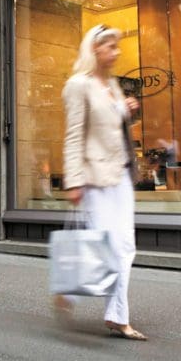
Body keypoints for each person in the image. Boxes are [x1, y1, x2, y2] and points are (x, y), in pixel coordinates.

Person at [58, 24, 146, 341]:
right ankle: (72, 289)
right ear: (95, 49)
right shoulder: (78, 85)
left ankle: (115, 316)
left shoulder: (112, 85)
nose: (117, 52)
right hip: (94, 177)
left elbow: (110, 123)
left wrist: (126, 109)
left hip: (121, 174)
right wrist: (73, 181)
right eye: (111, 46)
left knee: (124, 246)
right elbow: (73, 136)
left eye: (117, 46)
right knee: (105, 245)